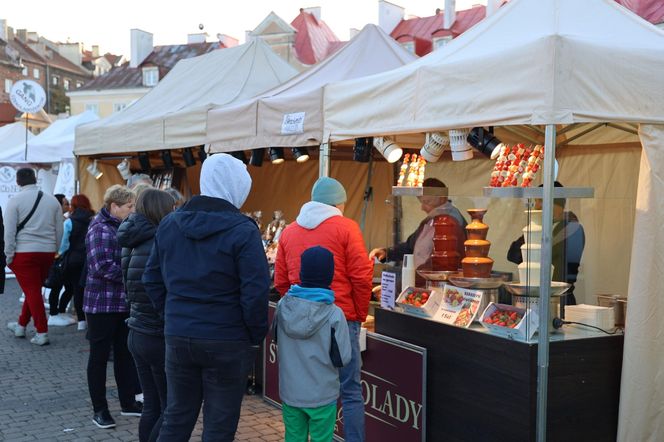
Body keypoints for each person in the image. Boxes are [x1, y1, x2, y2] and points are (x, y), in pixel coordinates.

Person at [143, 153, 270, 441]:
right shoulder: (242, 230)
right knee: (219, 425)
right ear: (237, 186)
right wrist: (253, 334)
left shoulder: (170, 224)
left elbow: (151, 279)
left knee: (177, 417)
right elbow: (255, 291)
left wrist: (172, 315)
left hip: (180, 334)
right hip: (226, 339)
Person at [274, 176, 373, 442]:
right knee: (350, 390)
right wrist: (359, 315)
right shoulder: (347, 228)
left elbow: (281, 281)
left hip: (297, 319)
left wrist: (297, 309)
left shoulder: (289, 231)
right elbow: (362, 277)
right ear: (339, 203)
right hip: (341, 318)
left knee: (302, 385)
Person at [275, 246, 351, 442]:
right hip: (322, 393)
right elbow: (343, 357)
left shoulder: (283, 305)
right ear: (330, 275)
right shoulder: (335, 314)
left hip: (290, 390)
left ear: (301, 273)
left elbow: (276, 339)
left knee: (293, 437)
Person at [118, 189, 175, 442]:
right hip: (155, 332)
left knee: (153, 405)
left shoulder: (131, 238)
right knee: (170, 407)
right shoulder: (159, 240)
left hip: (137, 328)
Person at [84, 184, 142, 429]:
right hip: (101, 306)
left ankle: (128, 403)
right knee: (98, 358)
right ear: (114, 206)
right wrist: (134, 272)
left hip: (122, 303)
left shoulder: (121, 227)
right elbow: (102, 266)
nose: (132, 211)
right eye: (129, 207)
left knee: (124, 355)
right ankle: (100, 409)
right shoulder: (99, 229)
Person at [5, 168, 63, 346]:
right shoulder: (52, 200)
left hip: (24, 253)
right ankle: (21, 325)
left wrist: (8, 255)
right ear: (35, 179)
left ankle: (42, 332)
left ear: (17, 181)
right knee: (34, 290)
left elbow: (9, 232)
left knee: (32, 291)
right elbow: (59, 229)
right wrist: (55, 250)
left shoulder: (14, 201)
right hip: (46, 252)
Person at [507, 181, 586, 307]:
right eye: (536, 201)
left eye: (541, 201)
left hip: (559, 300)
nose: (537, 206)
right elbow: (513, 254)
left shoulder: (573, 229)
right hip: (534, 297)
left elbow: (550, 259)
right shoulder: (541, 227)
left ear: (557, 204)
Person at [370, 178, 467, 268]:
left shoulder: (451, 221)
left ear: (442, 199)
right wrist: (387, 253)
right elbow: (410, 245)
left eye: (427, 202)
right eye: (422, 202)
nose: (422, 208)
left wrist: (417, 275)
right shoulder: (430, 220)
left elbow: (443, 261)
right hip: (421, 278)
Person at [48, 194, 95, 328]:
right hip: (89, 258)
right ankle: (86, 318)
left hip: (73, 259)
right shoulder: (94, 219)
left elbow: (64, 244)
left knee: (75, 288)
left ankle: (81, 321)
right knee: (85, 288)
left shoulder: (69, 221)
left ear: (74, 206)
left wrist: (59, 255)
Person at [47, 193, 77, 327]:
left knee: (68, 286)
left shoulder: (64, 220)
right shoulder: (55, 220)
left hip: (63, 258)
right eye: (66, 203)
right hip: (56, 258)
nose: (68, 206)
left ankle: (60, 311)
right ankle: (54, 314)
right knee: (56, 286)